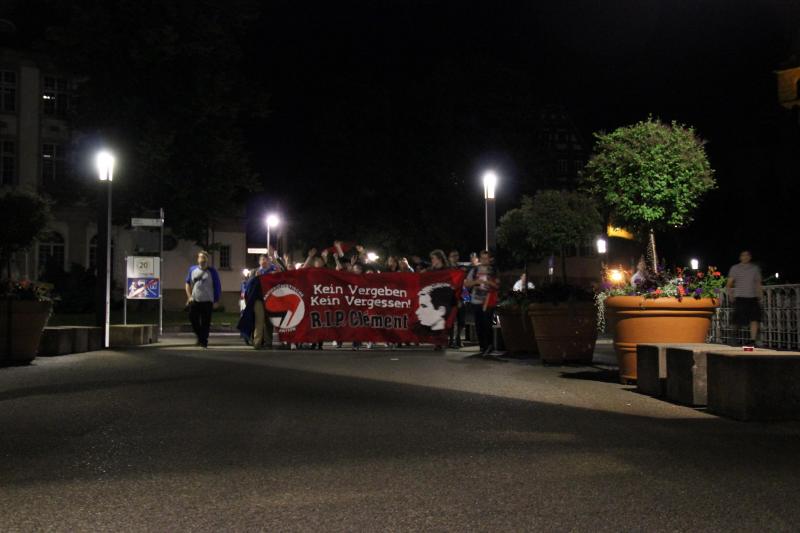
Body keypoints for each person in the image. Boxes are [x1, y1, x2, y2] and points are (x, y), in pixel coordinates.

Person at [464, 250, 499, 356]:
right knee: (479, 324)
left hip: (488, 301)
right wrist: (476, 282)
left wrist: (488, 282)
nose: (484, 260)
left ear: (490, 259)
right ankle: (483, 346)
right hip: (476, 300)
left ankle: (489, 345)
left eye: (486, 258)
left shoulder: (493, 271)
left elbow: (497, 285)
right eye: (482, 258)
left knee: (487, 324)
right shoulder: (475, 270)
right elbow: (466, 283)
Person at [184, 251, 221, 348]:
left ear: (207, 260)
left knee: (206, 322)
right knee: (192, 319)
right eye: (200, 258)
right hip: (195, 300)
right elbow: (187, 283)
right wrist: (189, 296)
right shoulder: (192, 270)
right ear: (198, 259)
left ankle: (203, 341)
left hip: (207, 301)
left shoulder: (212, 272)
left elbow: (217, 286)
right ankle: (200, 337)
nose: (202, 260)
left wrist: (216, 300)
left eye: (204, 258)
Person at [726, 250, 762, 346]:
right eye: (743, 255)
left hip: (753, 297)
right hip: (740, 297)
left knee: (754, 319)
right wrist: (731, 295)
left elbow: (758, 283)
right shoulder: (735, 268)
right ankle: (733, 336)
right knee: (737, 320)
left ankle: (753, 340)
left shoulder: (755, 268)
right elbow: (729, 284)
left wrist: (760, 295)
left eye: (747, 255)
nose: (745, 257)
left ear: (750, 257)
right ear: (740, 257)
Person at [253, 253, 278, 350]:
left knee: (268, 322)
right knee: (259, 321)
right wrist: (255, 277)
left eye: (265, 259)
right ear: (259, 262)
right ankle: (257, 342)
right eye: (262, 259)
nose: (264, 261)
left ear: (268, 261)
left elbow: (280, 273)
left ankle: (268, 343)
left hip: (270, 299)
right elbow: (250, 285)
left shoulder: (272, 271)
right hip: (259, 299)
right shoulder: (255, 271)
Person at [448, 250, 467, 349]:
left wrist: (464, 298)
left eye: (457, 256)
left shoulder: (461, 269)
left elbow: (464, 283)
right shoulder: (447, 270)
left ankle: (458, 338)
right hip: (450, 298)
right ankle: (450, 340)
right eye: (453, 256)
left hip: (461, 297)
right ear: (449, 258)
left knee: (461, 320)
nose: (455, 257)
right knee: (451, 320)